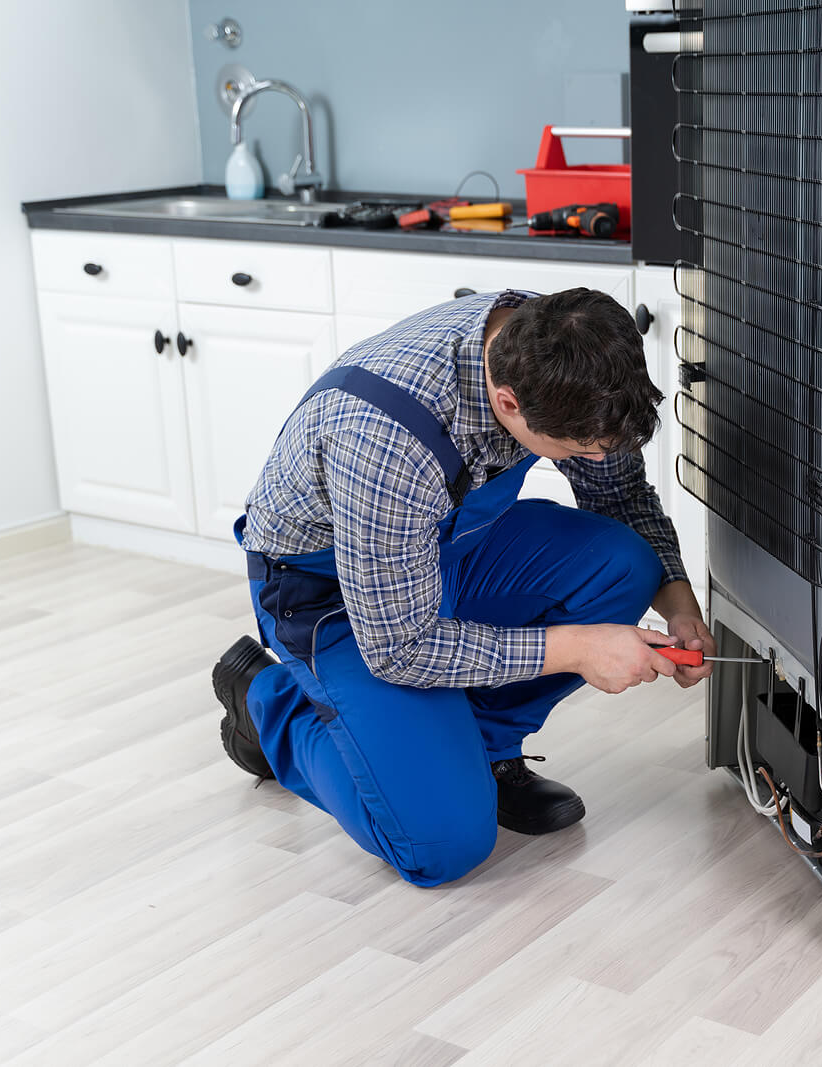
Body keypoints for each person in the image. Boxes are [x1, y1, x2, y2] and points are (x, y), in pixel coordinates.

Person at [210, 287, 714, 887]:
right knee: (443, 845)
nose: (595, 458)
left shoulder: (565, 349)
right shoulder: (385, 438)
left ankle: (482, 755)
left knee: (625, 565)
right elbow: (400, 648)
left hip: (448, 548)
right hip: (333, 597)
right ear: (508, 402)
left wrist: (680, 604)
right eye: (578, 451)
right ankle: (271, 706)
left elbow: (621, 494)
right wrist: (582, 649)